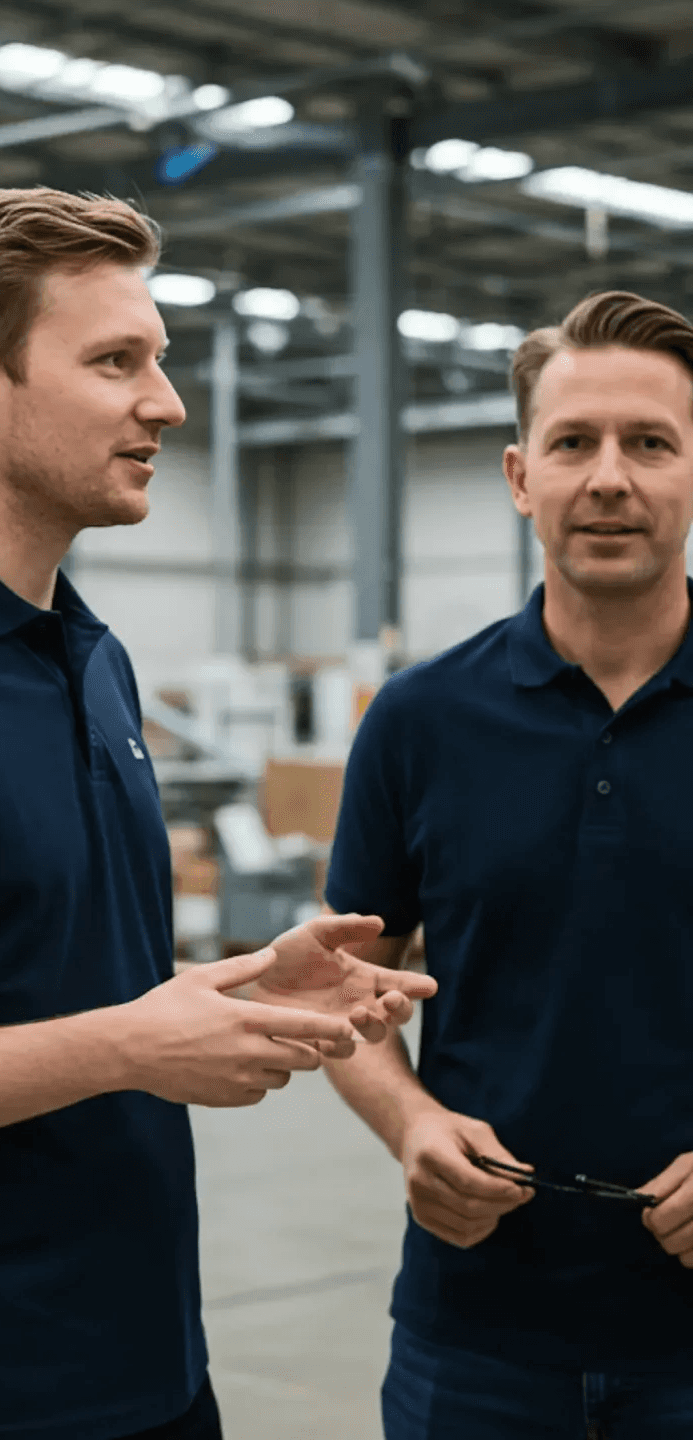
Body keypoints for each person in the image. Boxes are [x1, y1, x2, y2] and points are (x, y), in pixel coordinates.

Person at [0, 186, 436, 1440]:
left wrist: (239, 992)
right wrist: (128, 1047)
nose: (166, 402)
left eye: (156, 361)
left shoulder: (88, 657)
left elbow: (39, 970)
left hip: (143, 1360)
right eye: (118, 362)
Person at [324, 289, 693, 1438]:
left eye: (651, 443)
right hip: (475, 1347)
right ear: (520, 475)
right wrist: (410, 1124)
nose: (610, 477)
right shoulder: (420, 721)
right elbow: (345, 990)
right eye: (573, 442)